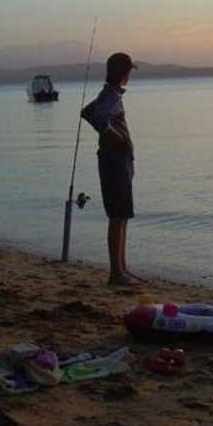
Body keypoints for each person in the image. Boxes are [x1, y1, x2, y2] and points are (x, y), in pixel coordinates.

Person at [81, 52, 138, 286]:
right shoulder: (112, 95)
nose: (129, 76)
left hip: (116, 160)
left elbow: (87, 112)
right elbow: (97, 116)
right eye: (129, 72)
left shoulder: (110, 93)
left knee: (122, 215)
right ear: (124, 73)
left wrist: (110, 134)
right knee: (118, 216)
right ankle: (117, 273)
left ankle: (122, 269)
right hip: (115, 162)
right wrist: (114, 136)